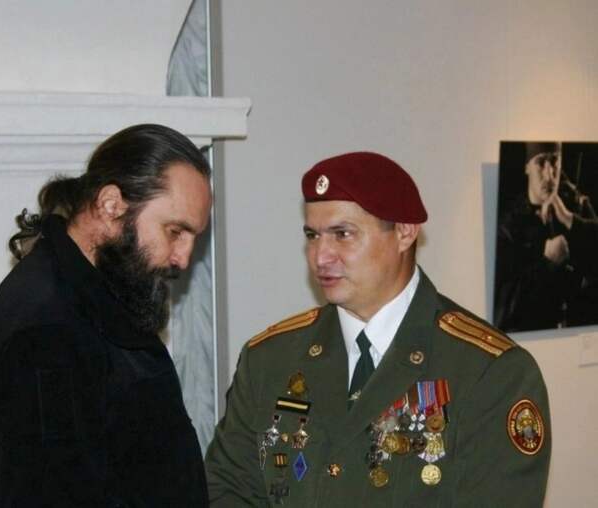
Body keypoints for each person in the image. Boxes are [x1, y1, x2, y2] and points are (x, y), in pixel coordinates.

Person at [205, 152, 550, 507]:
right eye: (312, 235)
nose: (320, 256)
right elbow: (227, 487)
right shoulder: (270, 358)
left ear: (404, 231)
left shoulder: (489, 372)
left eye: (342, 234)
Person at [0, 124, 212, 507]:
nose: (183, 258)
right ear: (110, 205)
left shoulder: (108, 290)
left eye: (193, 238)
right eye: (175, 231)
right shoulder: (43, 330)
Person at [495, 142, 598, 332]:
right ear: (527, 167)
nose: (550, 175)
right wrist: (547, 262)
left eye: (555, 162)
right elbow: (504, 310)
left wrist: (569, 219)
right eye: (541, 163)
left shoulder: (575, 207)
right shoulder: (509, 224)